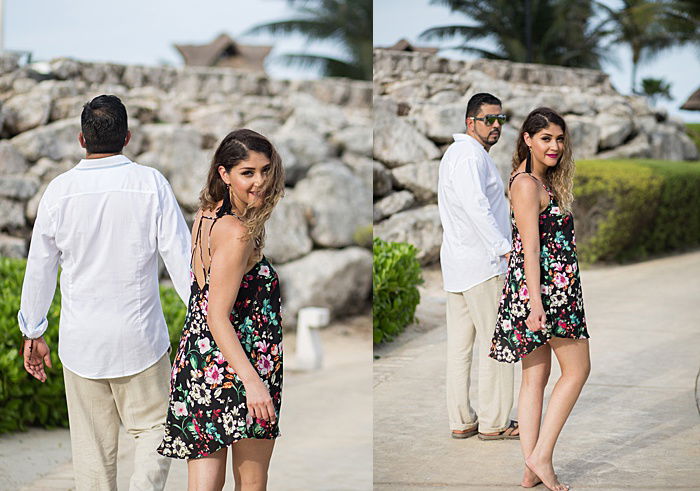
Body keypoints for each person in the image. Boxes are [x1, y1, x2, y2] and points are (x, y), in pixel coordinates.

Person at [18, 94, 192, 490]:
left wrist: (33, 331)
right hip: (141, 340)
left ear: (82, 139)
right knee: (155, 430)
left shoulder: (59, 191)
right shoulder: (151, 184)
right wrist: (206, 321)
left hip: (82, 346)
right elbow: (182, 261)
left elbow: (39, 268)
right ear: (127, 136)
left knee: (92, 458)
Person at [157, 129, 285, 490]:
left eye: (265, 170)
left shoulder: (207, 216)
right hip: (240, 365)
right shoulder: (237, 233)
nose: (259, 181)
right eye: (248, 172)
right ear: (223, 174)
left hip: (199, 363)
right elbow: (218, 314)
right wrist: (253, 383)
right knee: (252, 483)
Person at [490, 107, 590, 491]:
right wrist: (537, 305)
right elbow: (530, 249)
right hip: (546, 293)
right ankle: (542, 455)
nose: (555, 146)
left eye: (560, 139)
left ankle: (531, 470)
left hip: (543, 290)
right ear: (527, 139)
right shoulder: (527, 184)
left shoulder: (537, 181)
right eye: (546, 138)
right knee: (578, 370)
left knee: (536, 378)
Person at [437, 92, 519, 440]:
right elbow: (476, 207)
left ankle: (461, 421)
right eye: (489, 119)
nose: (496, 126)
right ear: (470, 122)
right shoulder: (470, 155)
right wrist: (505, 248)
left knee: (459, 348)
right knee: (496, 345)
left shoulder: (456, 154)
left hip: (458, 266)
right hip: (482, 266)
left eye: (500, 119)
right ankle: (494, 422)